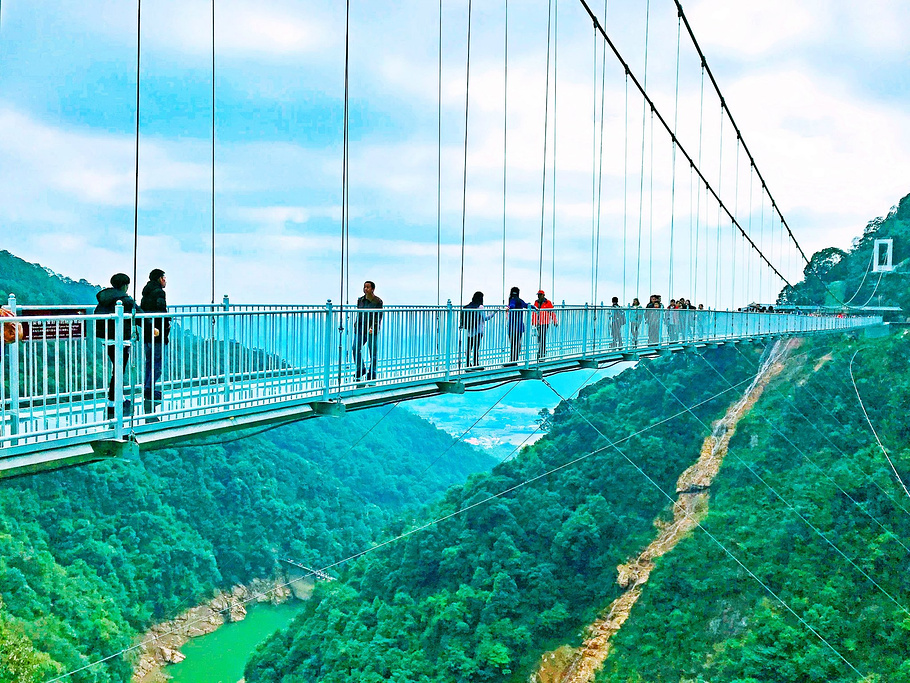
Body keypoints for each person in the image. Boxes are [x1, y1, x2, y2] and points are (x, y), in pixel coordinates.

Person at [95, 273, 140, 419]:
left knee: (117, 368)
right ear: (125, 285)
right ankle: (114, 400)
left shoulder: (104, 298)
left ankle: (115, 398)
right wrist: (151, 327)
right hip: (121, 339)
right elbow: (140, 315)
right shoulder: (125, 300)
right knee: (119, 369)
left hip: (108, 337)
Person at [140, 269, 169, 413]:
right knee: (158, 362)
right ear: (158, 279)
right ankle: (149, 389)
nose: (165, 280)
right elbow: (161, 310)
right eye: (164, 277)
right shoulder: (159, 292)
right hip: (157, 332)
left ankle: (147, 387)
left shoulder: (145, 292)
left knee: (149, 361)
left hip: (147, 332)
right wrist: (166, 324)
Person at [353, 280, 383, 381]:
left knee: (372, 352)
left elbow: (378, 316)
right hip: (361, 328)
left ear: (372, 289)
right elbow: (359, 314)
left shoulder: (378, 301)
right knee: (355, 348)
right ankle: (360, 368)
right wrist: (356, 325)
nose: (365, 289)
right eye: (365, 287)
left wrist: (373, 327)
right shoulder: (360, 300)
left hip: (371, 329)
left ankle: (373, 373)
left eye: (368, 287)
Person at [460, 291, 496, 368]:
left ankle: (467, 363)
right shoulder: (480, 307)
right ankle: (476, 364)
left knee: (469, 347)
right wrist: (494, 313)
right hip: (478, 331)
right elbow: (485, 318)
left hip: (470, 330)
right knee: (476, 347)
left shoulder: (469, 306)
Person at [532, 290, 558, 360]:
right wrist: (533, 322)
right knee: (539, 337)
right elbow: (534, 313)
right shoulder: (536, 302)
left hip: (545, 322)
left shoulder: (548, 302)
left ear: (543, 295)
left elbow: (551, 312)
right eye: (538, 295)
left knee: (542, 337)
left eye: (540, 295)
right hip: (538, 323)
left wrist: (555, 321)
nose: (539, 296)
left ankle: (542, 352)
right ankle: (541, 351)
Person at [507, 286, 528, 363]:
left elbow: (512, 305)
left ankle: (512, 360)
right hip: (519, 326)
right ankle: (515, 359)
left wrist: (508, 307)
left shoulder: (512, 300)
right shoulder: (521, 301)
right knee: (517, 343)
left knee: (513, 343)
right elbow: (527, 306)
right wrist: (535, 308)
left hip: (512, 326)